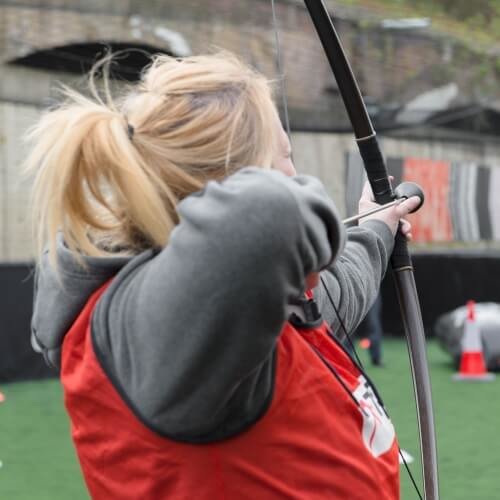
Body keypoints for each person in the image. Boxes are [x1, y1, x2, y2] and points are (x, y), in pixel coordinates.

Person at [27, 52, 419, 499]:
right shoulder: (156, 326)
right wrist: (299, 206)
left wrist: (375, 226)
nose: (295, 175)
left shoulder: (233, 311)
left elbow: (332, 297)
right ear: (236, 177)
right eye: (284, 157)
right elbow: (267, 218)